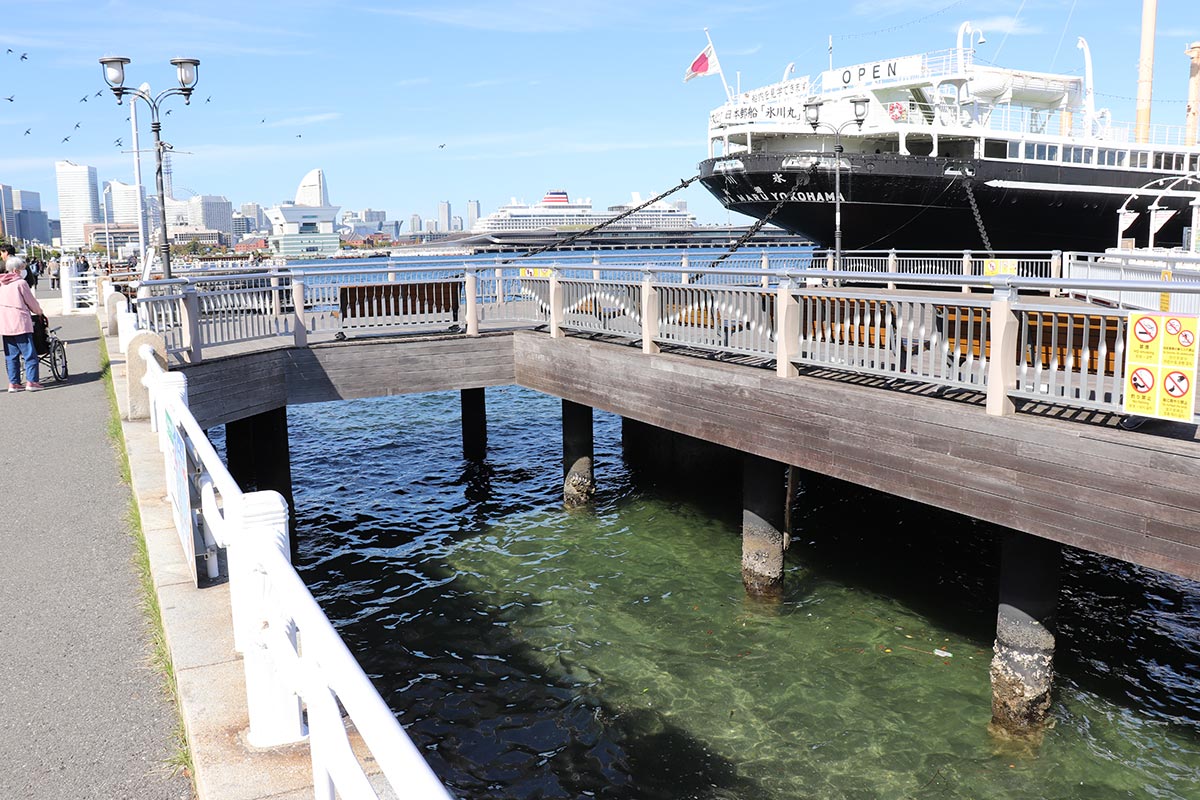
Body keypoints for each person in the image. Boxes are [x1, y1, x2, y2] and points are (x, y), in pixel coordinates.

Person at [0, 255, 45, 391]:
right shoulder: (21, 283)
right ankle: (32, 382)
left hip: (5, 323)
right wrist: (39, 312)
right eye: (22, 269)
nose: (23, 271)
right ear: (16, 270)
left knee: (11, 356)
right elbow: (31, 302)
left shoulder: (2, 284)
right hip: (20, 322)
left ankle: (14, 383)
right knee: (29, 354)